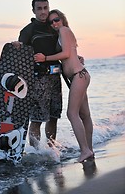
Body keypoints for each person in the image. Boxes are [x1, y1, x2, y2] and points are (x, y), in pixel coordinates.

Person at [34, 9, 94, 162]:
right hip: (79, 76)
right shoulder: (62, 33)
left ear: (62, 19)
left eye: (56, 19)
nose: (54, 23)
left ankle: (85, 150)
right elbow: (72, 53)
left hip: (78, 76)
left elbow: (66, 53)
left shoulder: (64, 30)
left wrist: (45, 57)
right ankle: (89, 149)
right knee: (84, 115)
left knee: (71, 114)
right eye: (51, 22)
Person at [18, 0, 63, 148]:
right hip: (37, 79)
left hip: (55, 77)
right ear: (33, 10)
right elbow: (21, 57)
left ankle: (51, 150)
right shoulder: (28, 30)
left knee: (53, 117)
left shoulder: (53, 27)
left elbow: (62, 49)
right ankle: (36, 153)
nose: (43, 12)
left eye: (45, 8)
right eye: (39, 9)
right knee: (36, 119)